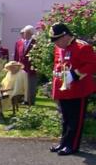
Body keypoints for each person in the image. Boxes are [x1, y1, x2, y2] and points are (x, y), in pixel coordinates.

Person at [48, 23, 96, 156]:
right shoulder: (58, 47)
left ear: (65, 35)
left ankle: (72, 146)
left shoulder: (83, 47)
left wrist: (74, 74)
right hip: (64, 90)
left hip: (78, 90)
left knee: (75, 120)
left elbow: (92, 65)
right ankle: (64, 143)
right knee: (66, 119)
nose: (55, 43)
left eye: (57, 40)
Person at [14, 25, 37, 106]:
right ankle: (24, 99)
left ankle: (31, 101)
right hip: (21, 68)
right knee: (23, 85)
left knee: (31, 85)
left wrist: (35, 67)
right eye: (24, 33)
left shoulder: (36, 42)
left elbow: (38, 56)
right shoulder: (19, 43)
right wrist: (16, 65)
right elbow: (17, 56)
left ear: (31, 33)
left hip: (31, 68)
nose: (25, 35)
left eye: (27, 33)